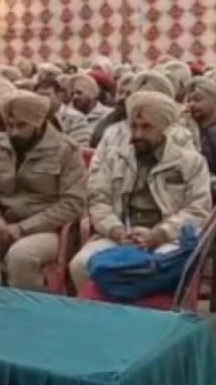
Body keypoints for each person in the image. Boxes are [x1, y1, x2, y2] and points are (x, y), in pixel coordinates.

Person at [69, 91, 212, 293]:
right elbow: (98, 200)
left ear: (164, 128)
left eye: (146, 127)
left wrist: (157, 234)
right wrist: (117, 231)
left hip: (168, 238)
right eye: (133, 126)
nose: (137, 134)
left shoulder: (190, 162)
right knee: (81, 264)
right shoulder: (114, 157)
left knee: (155, 268)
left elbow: (198, 210)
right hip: (120, 234)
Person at [0, 91, 86, 290]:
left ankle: (24, 308)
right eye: (10, 125)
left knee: (21, 256)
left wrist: (23, 228)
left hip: (47, 229)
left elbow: (72, 204)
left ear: (38, 124)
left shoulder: (65, 150)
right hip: (2, 225)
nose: (13, 133)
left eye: (21, 126)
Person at [34, 76, 89, 146]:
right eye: (38, 96)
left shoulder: (76, 118)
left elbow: (81, 146)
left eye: (46, 95)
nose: (42, 99)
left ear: (59, 95)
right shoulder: (34, 117)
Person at [186, 76, 216, 181]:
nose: (191, 104)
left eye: (197, 100)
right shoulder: (189, 129)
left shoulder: (213, 132)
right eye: (188, 100)